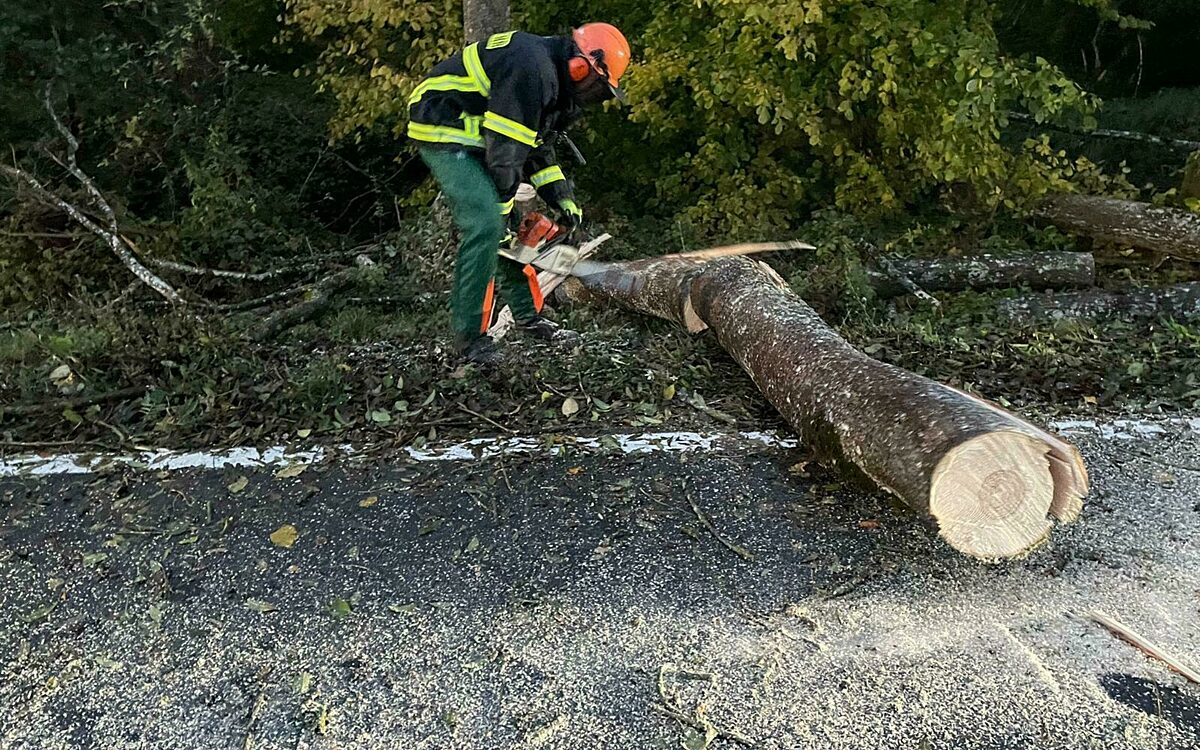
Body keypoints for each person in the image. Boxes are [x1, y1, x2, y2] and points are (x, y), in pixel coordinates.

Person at [408, 23, 630, 364]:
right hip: (444, 122)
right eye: (596, 85)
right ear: (580, 65)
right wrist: (502, 210)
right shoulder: (531, 66)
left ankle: (528, 318)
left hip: (484, 138)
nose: (593, 94)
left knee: (512, 238)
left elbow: (537, 149)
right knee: (487, 226)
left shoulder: (557, 88)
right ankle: (470, 340)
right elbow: (506, 152)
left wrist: (564, 202)